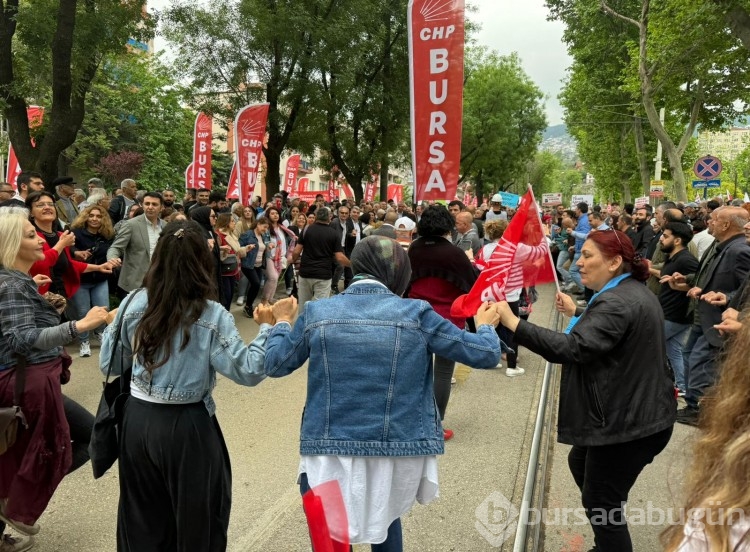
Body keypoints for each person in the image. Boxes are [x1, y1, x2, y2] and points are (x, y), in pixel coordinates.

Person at [264, 236, 501, 551]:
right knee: (387, 525)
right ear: (400, 273)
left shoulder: (318, 313)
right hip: (396, 452)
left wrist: (279, 322)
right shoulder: (416, 313)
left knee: (330, 541)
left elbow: (275, 364)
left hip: (328, 452)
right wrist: (484, 325)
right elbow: (485, 353)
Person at [495, 229, 676, 552]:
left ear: (615, 262)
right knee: (582, 463)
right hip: (636, 414)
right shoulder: (627, 292)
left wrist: (514, 323)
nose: (579, 262)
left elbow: (572, 348)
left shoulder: (615, 302)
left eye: (588, 255)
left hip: (629, 424)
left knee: (601, 499)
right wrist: (579, 312)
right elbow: (610, 328)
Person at [100, 220, 273, 552]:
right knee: (198, 521)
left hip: (137, 422)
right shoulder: (210, 313)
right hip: (188, 427)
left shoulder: (134, 302)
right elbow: (249, 370)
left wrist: (113, 326)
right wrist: (269, 327)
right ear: (201, 262)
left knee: (143, 519)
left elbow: (108, 364)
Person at [0, 207, 110, 552]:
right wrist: (80, 326)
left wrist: (45, 303)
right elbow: (19, 339)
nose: (41, 239)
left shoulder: (17, 282)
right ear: (13, 243)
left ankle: (13, 500)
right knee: (63, 446)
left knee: (29, 452)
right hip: (27, 382)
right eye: (31, 235)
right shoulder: (11, 284)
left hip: (32, 379)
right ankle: (16, 502)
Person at [661, 307, 750, 551]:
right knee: (688, 354)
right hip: (705, 318)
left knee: (684, 353)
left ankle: (689, 397)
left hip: (691, 318)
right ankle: (689, 398)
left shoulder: (730, 509)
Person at [406, 205, 479, 441]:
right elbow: (472, 284)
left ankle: (412, 421)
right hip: (448, 320)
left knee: (416, 371)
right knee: (444, 373)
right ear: (447, 225)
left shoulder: (414, 249)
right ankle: (435, 424)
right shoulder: (454, 253)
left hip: (416, 316)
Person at [26, 191, 113, 301]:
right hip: (38, 296)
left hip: (60, 294)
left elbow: (69, 264)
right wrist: (61, 244)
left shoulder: (60, 235)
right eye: (40, 205)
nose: (47, 207)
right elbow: (39, 265)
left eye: (51, 204)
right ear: (31, 212)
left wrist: (98, 267)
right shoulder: (30, 236)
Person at [69, 205, 116, 357]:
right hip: (81, 279)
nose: (95, 219)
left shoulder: (107, 235)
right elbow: (69, 248)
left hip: (100, 279)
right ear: (86, 217)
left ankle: (100, 333)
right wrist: (76, 252)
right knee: (83, 311)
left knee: (104, 308)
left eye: (98, 216)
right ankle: (84, 340)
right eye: (91, 215)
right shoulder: (76, 233)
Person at [106, 192, 164, 297]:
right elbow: (116, 247)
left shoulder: (166, 226)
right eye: (147, 204)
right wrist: (112, 258)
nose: (150, 207)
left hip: (159, 282)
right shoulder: (130, 224)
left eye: (154, 204)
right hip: (134, 283)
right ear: (142, 205)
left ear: (161, 207)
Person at [238, 216, 271, 316]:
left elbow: (265, 245)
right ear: (258, 224)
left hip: (259, 264)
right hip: (248, 264)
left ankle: (249, 305)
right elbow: (238, 248)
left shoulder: (263, 236)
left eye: (267, 228)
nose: (265, 230)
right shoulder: (247, 235)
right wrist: (247, 248)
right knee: (256, 283)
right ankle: (248, 306)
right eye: (264, 227)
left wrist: (269, 246)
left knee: (256, 286)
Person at [214, 213, 245, 311]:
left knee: (230, 294)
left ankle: (226, 314)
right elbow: (215, 252)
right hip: (224, 270)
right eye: (232, 221)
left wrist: (245, 249)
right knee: (226, 296)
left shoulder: (231, 234)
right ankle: (224, 317)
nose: (234, 223)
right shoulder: (219, 235)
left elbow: (237, 250)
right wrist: (222, 249)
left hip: (232, 268)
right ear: (226, 222)